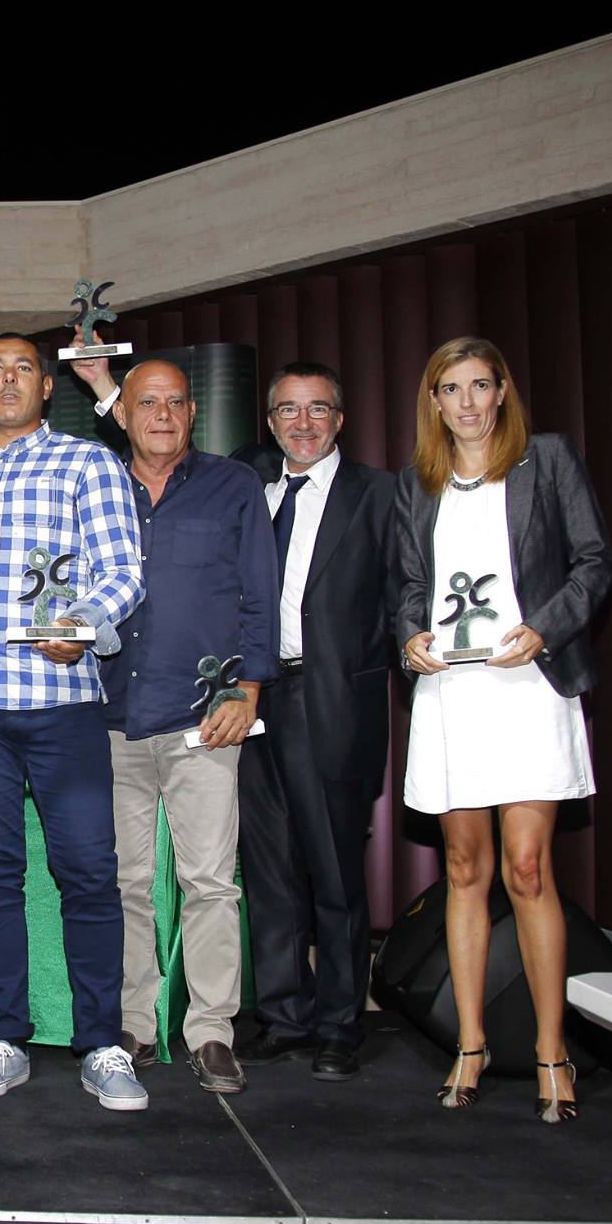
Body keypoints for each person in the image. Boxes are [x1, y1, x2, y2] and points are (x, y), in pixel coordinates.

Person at [396, 335, 612, 1124]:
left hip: (526, 686)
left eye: (479, 385)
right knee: (464, 867)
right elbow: (409, 585)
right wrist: (409, 636)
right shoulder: (417, 482)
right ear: (434, 401)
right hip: (453, 692)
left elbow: (595, 562)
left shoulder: (546, 460)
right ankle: (471, 1044)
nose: (467, 402)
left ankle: (553, 1050)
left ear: (502, 391)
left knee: (526, 868)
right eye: (450, 388)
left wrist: (546, 626)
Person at [0, 334, 148, 1112]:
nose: (10, 379)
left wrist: (83, 622)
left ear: (47, 386)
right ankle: (4, 1038)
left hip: (62, 703)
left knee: (87, 871)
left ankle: (103, 1043)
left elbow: (124, 572)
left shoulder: (88, 464)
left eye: (24, 367)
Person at [69, 355, 277, 1095]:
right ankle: (134, 1022)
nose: (162, 415)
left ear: (193, 412)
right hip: (107, 715)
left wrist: (248, 690)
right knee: (123, 881)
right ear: (121, 413)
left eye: (176, 402)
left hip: (205, 718)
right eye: (147, 402)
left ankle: (212, 1029)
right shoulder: (91, 484)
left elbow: (260, 595)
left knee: (210, 882)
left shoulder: (234, 486)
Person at [225, 362, 395, 1081]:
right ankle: (283, 1017)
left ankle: (339, 1025)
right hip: (249, 698)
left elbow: (404, 592)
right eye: (289, 410)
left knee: (333, 869)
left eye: (318, 409)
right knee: (268, 870)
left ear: (339, 420)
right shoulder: (249, 486)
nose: (303, 423)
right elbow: (158, 438)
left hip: (331, 702)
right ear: (270, 423)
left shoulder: (377, 494)